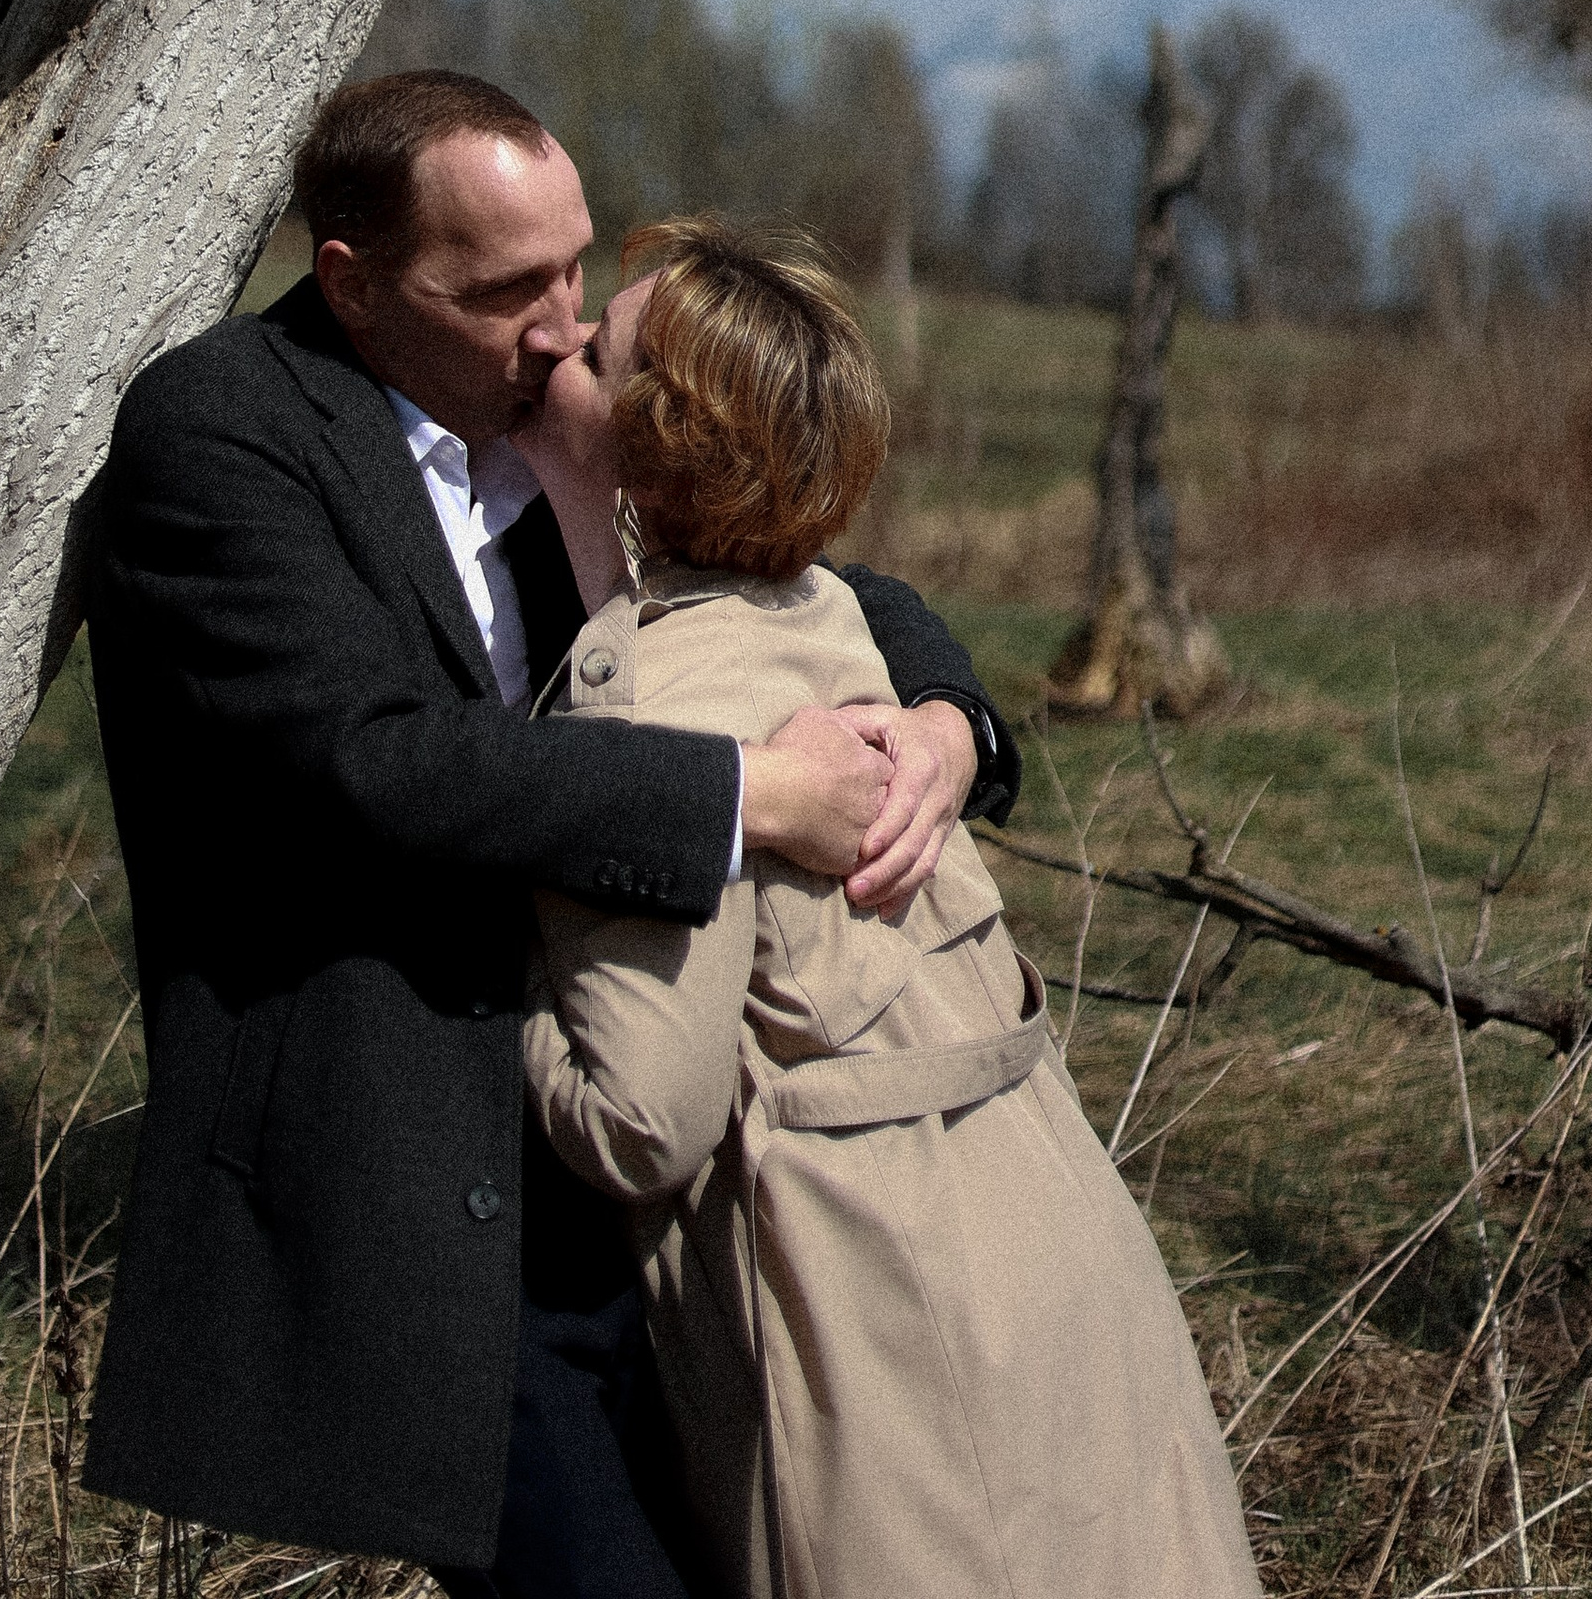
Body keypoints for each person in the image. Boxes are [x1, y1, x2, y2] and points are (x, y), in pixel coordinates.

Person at [82, 71, 1020, 1595]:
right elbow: (375, 763)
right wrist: (747, 796)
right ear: (354, 283)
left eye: (574, 266)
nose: (562, 320)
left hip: (656, 1148)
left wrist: (943, 722)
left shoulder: (556, 412)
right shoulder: (227, 434)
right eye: (505, 287)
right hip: (417, 1171)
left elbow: (813, 575)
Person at [519, 217, 1264, 1599]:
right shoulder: (827, 619)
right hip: (1063, 1252)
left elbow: (640, 1119)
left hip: (881, 1323)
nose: (555, 342)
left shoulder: (652, 703)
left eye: (597, 348)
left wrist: (485, 995)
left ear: (647, 438)